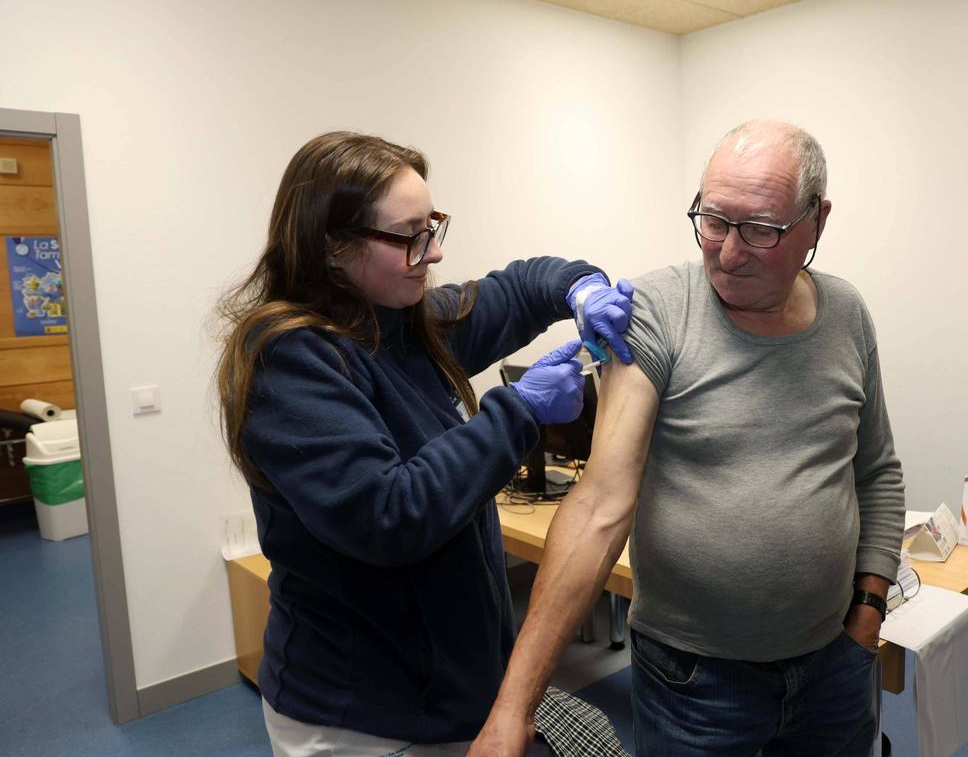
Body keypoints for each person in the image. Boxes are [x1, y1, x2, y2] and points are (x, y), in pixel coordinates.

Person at [470, 120, 907, 757]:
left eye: (761, 229)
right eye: (713, 221)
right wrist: (515, 708)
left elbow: (876, 473)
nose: (729, 254)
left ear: (817, 221)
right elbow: (599, 505)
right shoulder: (657, 309)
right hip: (694, 682)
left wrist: (867, 612)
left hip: (832, 665)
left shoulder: (847, 314)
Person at [215, 131, 636, 756]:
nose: (433, 253)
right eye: (410, 235)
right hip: (365, 716)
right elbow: (390, 514)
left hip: (447, 690)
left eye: (433, 225)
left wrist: (581, 288)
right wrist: (519, 411)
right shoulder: (290, 358)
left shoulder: (399, 320)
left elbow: (520, 288)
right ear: (332, 247)